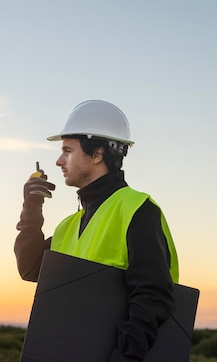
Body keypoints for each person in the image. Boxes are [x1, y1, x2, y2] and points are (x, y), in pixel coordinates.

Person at [14, 100, 178, 362]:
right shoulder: (70, 225)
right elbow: (30, 268)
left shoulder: (137, 209)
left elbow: (153, 298)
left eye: (67, 150)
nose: (58, 161)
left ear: (97, 154)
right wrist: (31, 210)